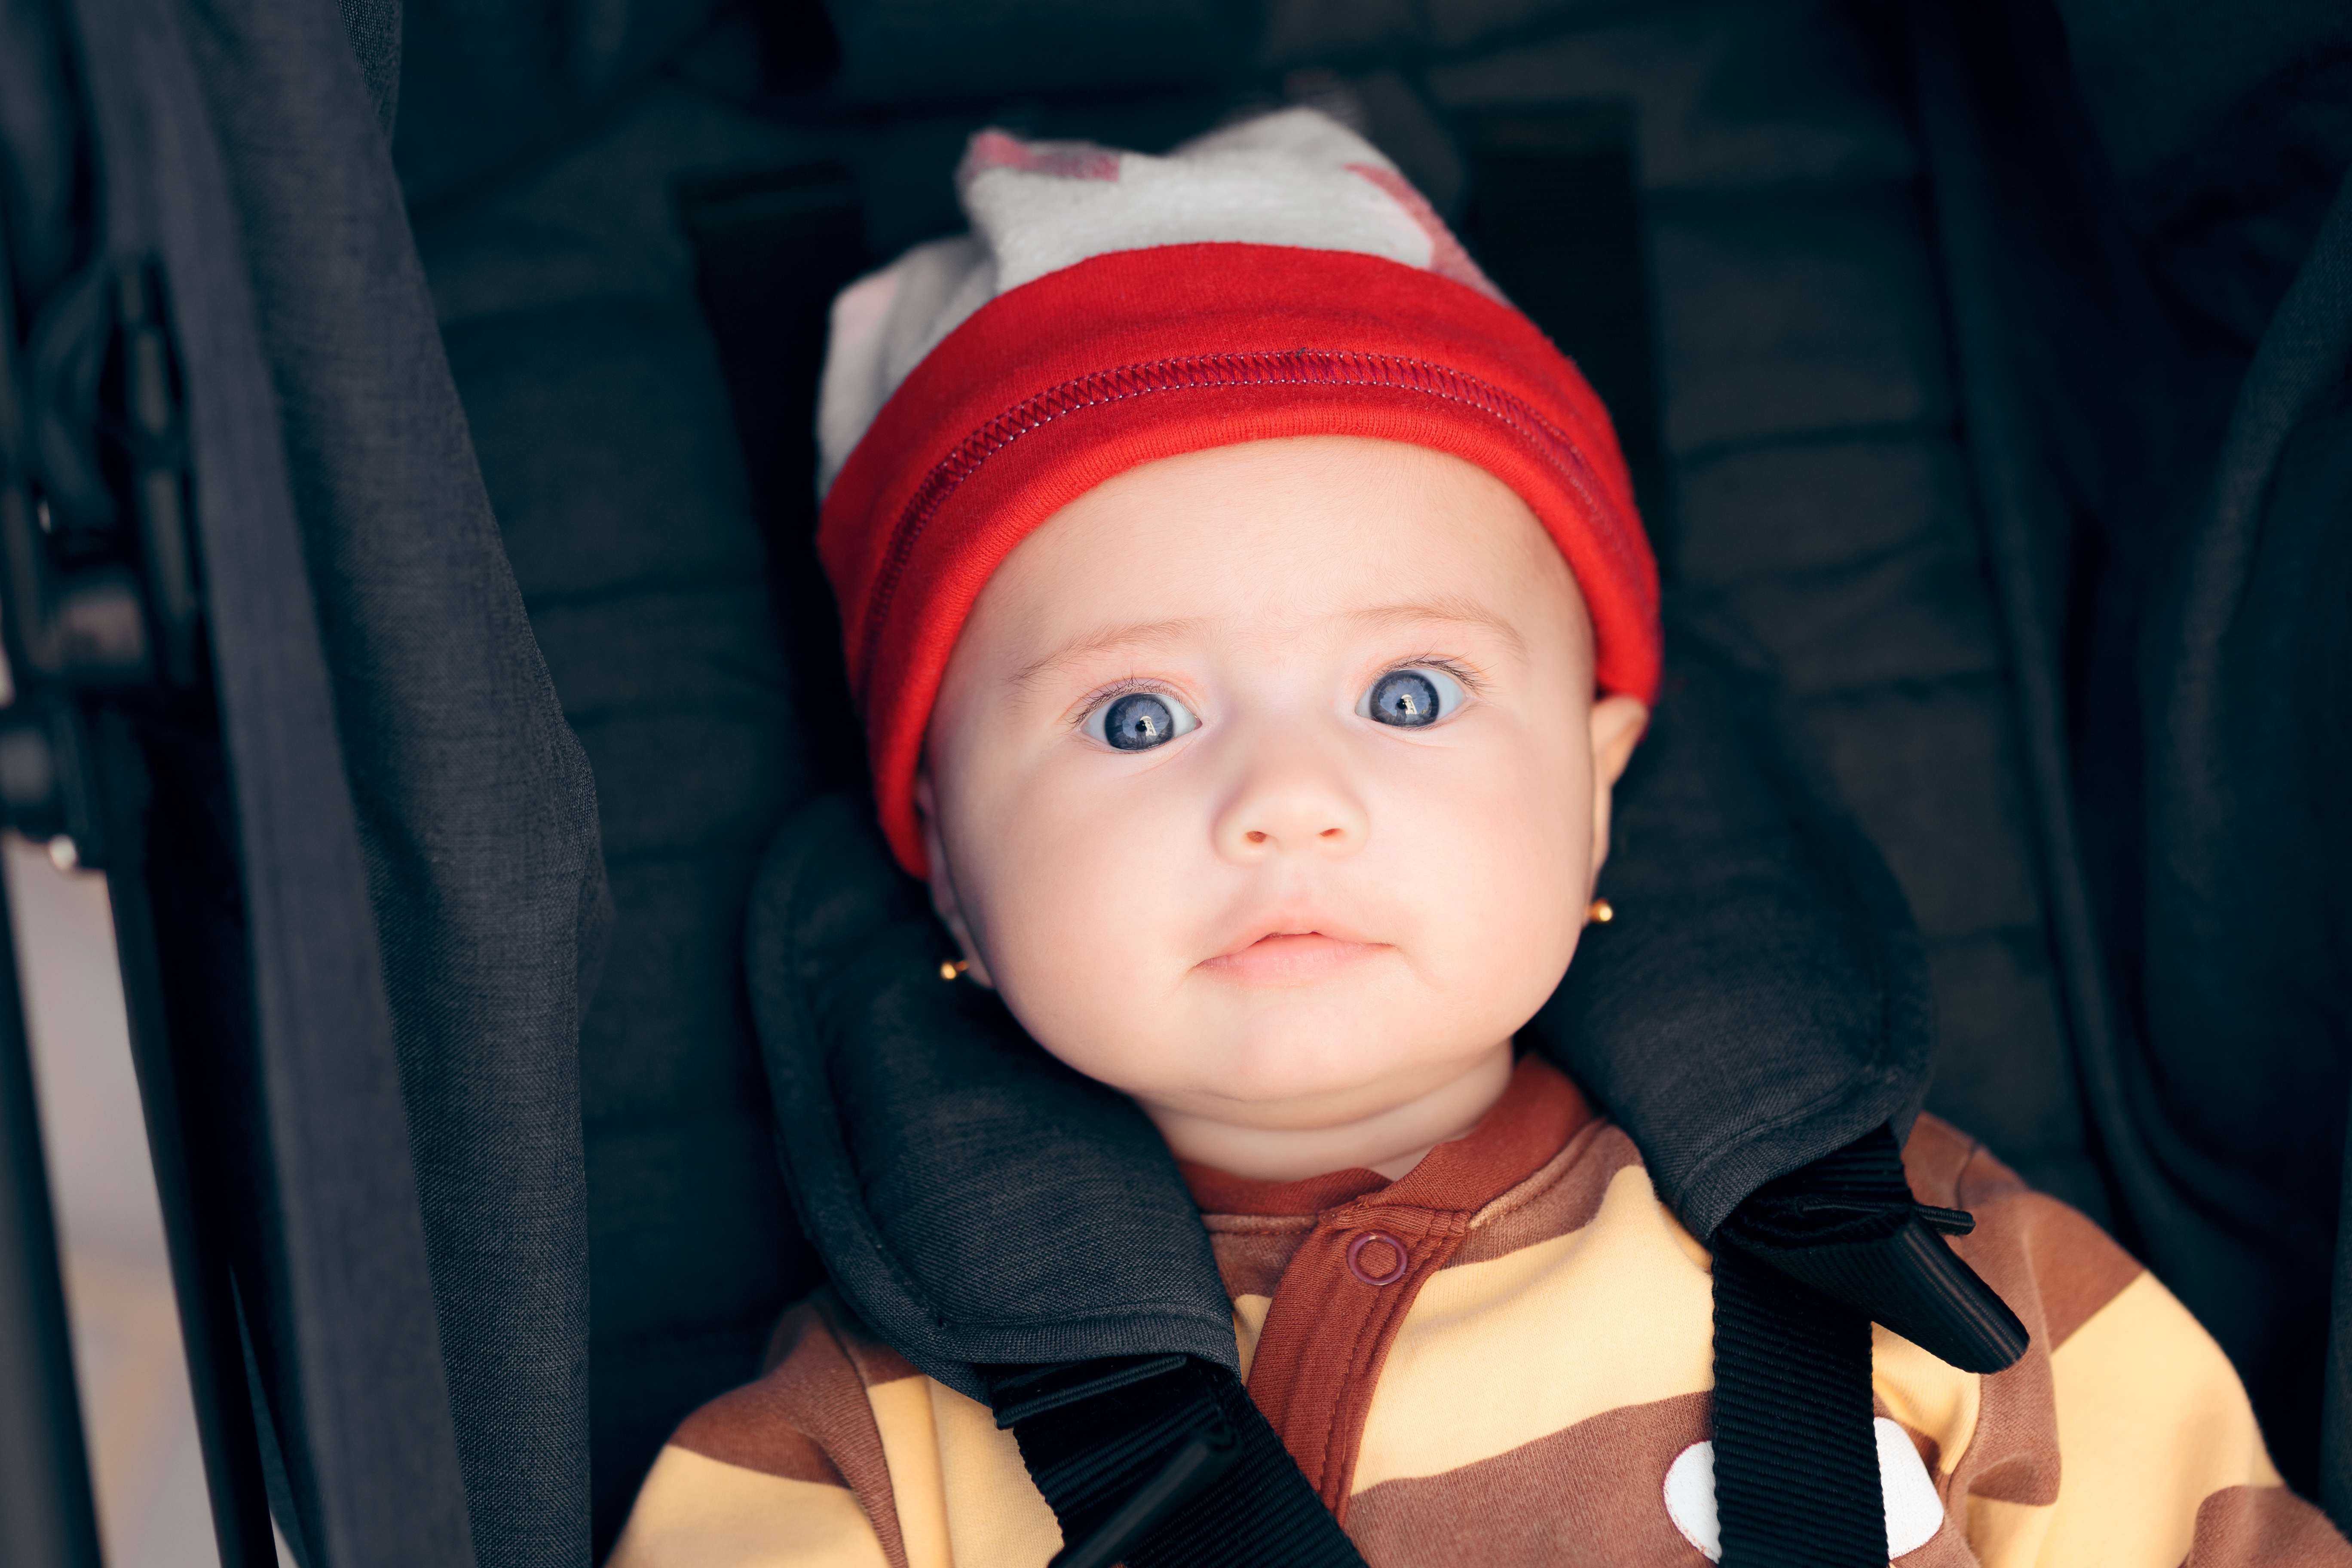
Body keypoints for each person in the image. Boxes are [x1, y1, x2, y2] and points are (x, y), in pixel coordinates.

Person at [610, 111, 2346, 1566]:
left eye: (1414, 694)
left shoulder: (1931, 1266)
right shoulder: (864, 1458)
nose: (1292, 797)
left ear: (1599, 785)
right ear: (943, 857)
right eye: (1137, 717)